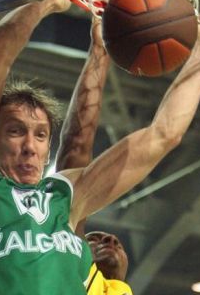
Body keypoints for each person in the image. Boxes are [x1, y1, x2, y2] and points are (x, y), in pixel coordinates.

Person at [0, 0, 200, 294]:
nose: (30, 145)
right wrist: (46, 0)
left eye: (40, 135)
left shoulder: (62, 200)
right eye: (15, 131)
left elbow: (163, 135)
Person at [54, 18, 132, 295]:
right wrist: (100, 52)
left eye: (115, 242)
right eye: (94, 238)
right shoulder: (72, 273)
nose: (110, 239)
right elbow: (75, 148)